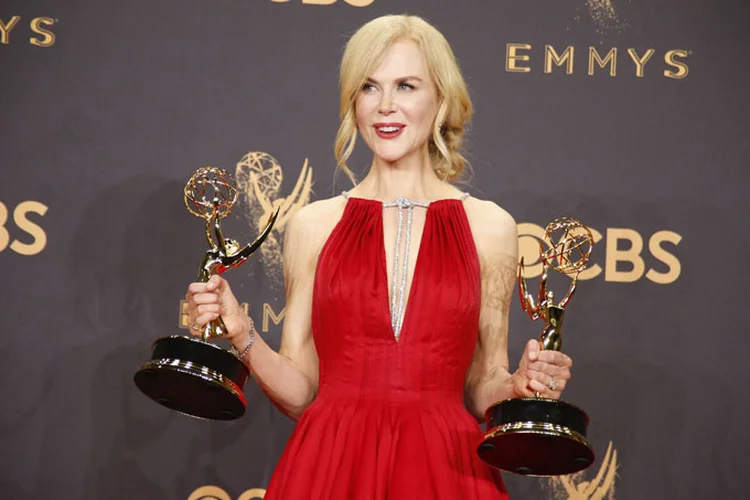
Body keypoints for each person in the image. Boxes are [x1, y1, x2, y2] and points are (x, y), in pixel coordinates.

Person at [185, 14, 573, 499]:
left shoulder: (490, 227)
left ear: (442, 99)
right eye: (369, 87)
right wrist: (241, 331)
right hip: (330, 464)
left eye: (406, 86)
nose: (386, 106)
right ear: (353, 102)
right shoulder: (313, 224)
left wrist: (516, 385)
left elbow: (480, 387)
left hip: (444, 468)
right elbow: (302, 392)